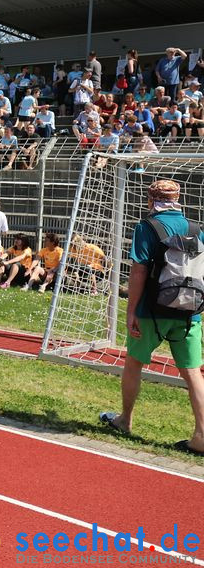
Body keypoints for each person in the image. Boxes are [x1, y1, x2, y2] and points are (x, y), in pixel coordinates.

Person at [100, 180, 204, 456]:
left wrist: (131, 310)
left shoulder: (147, 227)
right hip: (188, 313)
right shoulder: (196, 229)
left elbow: (138, 272)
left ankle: (125, 419)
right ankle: (202, 435)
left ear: (151, 200)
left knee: (134, 363)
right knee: (193, 372)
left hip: (151, 311)